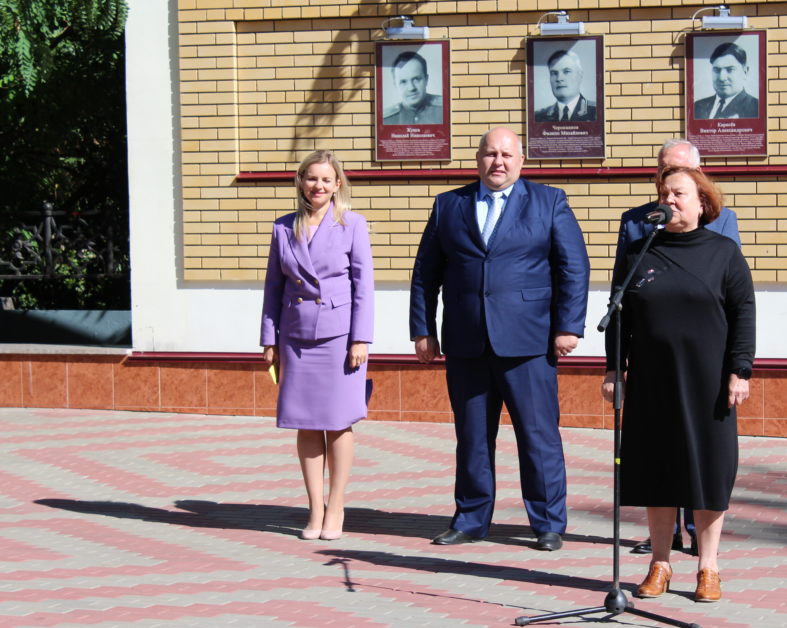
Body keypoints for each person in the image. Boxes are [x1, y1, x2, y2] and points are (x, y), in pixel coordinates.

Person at [409, 127, 590, 551]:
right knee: (472, 435)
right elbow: (425, 275)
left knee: (538, 435)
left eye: (507, 154)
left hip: (529, 341)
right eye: (490, 154)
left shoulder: (549, 201)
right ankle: (471, 519)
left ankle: (547, 522)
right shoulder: (448, 205)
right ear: (477, 160)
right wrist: (423, 330)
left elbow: (573, 269)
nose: (498, 162)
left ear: (521, 160)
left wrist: (569, 326)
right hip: (466, 341)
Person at [602, 165, 755, 602]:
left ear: (702, 202)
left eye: (678, 194)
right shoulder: (638, 253)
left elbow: (744, 312)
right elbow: (619, 319)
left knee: (708, 471)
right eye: (663, 194)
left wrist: (739, 369)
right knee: (657, 471)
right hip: (653, 380)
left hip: (708, 382)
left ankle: (708, 567)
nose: (668, 201)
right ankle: (660, 564)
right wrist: (614, 370)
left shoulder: (723, 252)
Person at [260, 150, 374, 541]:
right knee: (307, 424)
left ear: (338, 184)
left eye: (326, 179)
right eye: (311, 178)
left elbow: (364, 287)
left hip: (340, 339)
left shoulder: (353, 225)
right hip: (296, 337)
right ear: (301, 182)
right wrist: (268, 340)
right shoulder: (282, 228)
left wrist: (361, 338)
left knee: (338, 423)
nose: (318, 186)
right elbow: (273, 288)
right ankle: (315, 508)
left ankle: (337, 506)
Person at [692, 42, 759, 120]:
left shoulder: (757, 108)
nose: (722, 78)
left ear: (745, 72)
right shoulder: (698, 106)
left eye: (730, 70)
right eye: (717, 70)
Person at [534, 50, 598, 122]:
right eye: (554, 73)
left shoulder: (597, 112)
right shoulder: (538, 117)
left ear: (580, 75)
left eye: (566, 71)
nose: (559, 79)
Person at [383, 52, 443, 125]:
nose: (411, 88)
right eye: (403, 82)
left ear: (426, 79)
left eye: (416, 79)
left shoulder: (444, 109)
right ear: (396, 85)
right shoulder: (386, 119)